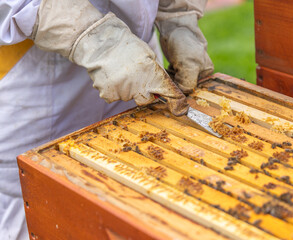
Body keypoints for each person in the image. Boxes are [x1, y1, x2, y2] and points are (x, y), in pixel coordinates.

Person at [0, 0, 213, 239]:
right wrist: (99, 43)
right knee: (44, 210)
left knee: (144, 206)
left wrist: (178, 14)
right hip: (38, 83)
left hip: (136, 63)